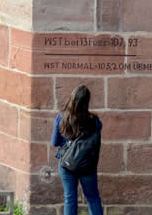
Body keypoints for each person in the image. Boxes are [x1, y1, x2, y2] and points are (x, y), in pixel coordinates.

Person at [52, 85, 103, 215]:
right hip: (87, 165)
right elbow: (95, 140)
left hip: (67, 164)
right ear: (87, 102)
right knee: (93, 199)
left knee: (70, 199)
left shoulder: (61, 117)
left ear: (72, 98)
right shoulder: (94, 121)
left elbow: (55, 142)